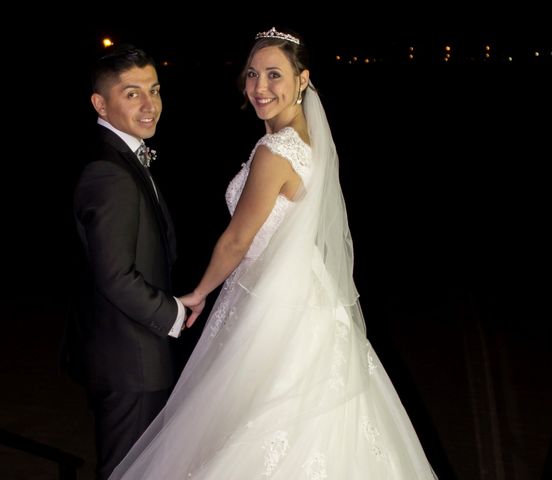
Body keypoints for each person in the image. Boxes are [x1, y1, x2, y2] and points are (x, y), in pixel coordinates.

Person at [109, 28, 438, 479]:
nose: (260, 87)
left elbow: (236, 241)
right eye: (252, 74)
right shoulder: (310, 142)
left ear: (303, 80)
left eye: (274, 75)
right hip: (305, 291)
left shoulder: (274, 151)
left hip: (274, 303)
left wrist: (199, 292)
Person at [66, 44, 186, 480]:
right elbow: (114, 276)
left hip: (130, 355)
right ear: (100, 103)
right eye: (132, 93)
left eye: (153, 90)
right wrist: (173, 313)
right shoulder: (108, 171)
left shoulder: (124, 155)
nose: (150, 104)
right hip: (129, 361)